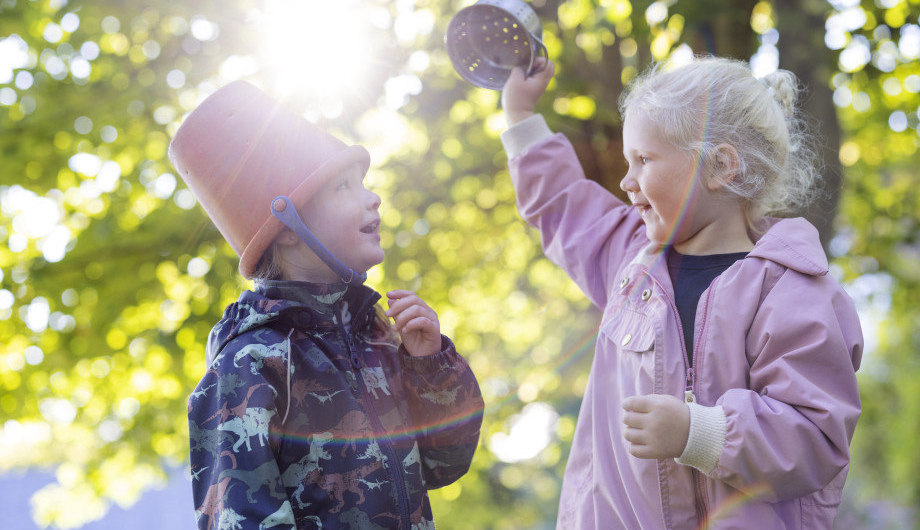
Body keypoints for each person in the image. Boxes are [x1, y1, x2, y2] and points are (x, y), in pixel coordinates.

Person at [498, 55, 863, 529]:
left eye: (643, 160)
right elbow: (563, 205)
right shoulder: (631, 260)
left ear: (719, 166)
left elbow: (816, 438)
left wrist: (699, 433)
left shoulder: (793, 290)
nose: (626, 181)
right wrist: (520, 118)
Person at [169, 81, 484, 530]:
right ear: (288, 227)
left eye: (364, 184)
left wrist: (430, 366)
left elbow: (443, 464)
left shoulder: (377, 336)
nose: (372, 197)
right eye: (343, 187)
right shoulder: (250, 364)